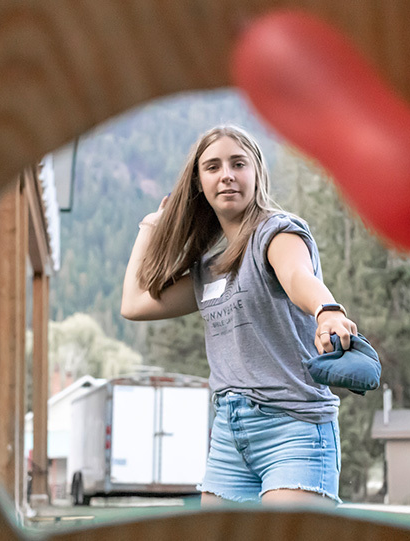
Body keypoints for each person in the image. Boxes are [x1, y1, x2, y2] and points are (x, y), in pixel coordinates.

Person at [121, 125, 357, 506]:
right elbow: (133, 304)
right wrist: (150, 226)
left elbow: (298, 275)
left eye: (238, 163)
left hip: (294, 429)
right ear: (199, 184)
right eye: (212, 167)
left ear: (257, 173)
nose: (226, 174)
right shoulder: (207, 271)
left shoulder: (277, 232)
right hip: (230, 438)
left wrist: (326, 310)